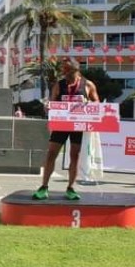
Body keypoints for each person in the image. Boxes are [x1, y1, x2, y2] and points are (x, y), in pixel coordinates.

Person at [33, 58, 100, 201]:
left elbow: (97, 103)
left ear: (76, 70)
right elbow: (52, 102)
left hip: (78, 125)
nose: (64, 72)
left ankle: (71, 188)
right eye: (63, 69)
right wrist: (48, 106)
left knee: (74, 156)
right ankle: (44, 187)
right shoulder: (59, 84)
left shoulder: (87, 85)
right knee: (51, 154)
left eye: (67, 69)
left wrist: (88, 102)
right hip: (62, 124)